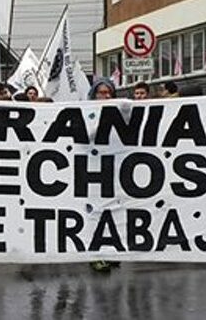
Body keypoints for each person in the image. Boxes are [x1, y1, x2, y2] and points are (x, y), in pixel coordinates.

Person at [87, 77, 118, 272]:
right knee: (95, 213)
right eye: (102, 93)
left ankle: (110, 250)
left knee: (114, 211)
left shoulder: (120, 112)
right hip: (91, 169)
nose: (105, 97)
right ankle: (94, 254)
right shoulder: (85, 112)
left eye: (109, 93)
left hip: (114, 168)